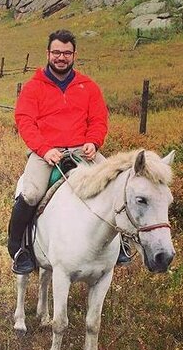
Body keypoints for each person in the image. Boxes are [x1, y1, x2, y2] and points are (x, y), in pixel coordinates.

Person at [8, 29, 114, 275]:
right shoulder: (34, 87)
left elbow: (99, 119)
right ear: (48, 53)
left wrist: (93, 142)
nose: (61, 57)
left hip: (82, 150)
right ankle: (18, 248)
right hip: (46, 152)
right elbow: (25, 121)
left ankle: (120, 246)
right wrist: (45, 150)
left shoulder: (88, 86)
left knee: (112, 183)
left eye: (66, 53)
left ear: (74, 55)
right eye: (56, 52)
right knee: (32, 194)